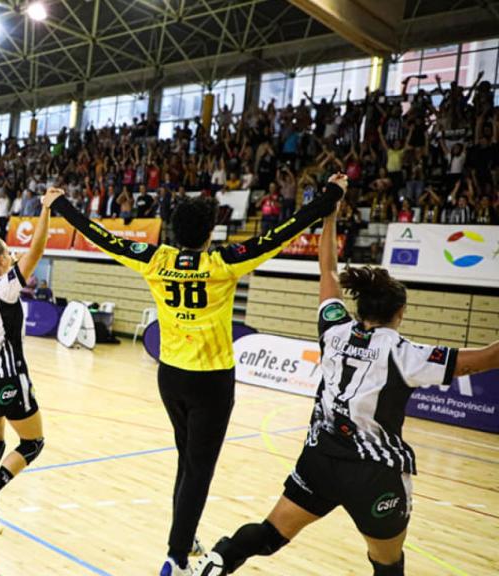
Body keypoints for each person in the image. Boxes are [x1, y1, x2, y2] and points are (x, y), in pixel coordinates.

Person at [195, 177, 499, 576]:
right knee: (386, 561)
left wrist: (332, 213)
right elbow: (488, 357)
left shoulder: (335, 329)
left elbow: (328, 270)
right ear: (399, 313)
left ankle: (218, 561)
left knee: (270, 534)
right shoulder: (406, 353)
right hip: (373, 474)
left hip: (319, 460)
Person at [49, 175, 345, 576]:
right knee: (198, 470)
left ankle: (184, 540)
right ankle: (175, 557)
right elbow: (282, 232)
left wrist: (61, 204)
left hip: (170, 376)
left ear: (174, 230)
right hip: (211, 382)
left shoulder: (156, 260)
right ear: (210, 232)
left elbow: (101, 236)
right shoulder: (222, 263)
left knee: (187, 463)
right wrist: (329, 197)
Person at [0, 188, 61, 537]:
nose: (12, 253)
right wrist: (45, 209)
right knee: (33, 444)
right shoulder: (3, 287)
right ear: (2, 262)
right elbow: (36, 249)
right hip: (7, 375)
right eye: (8, 252)